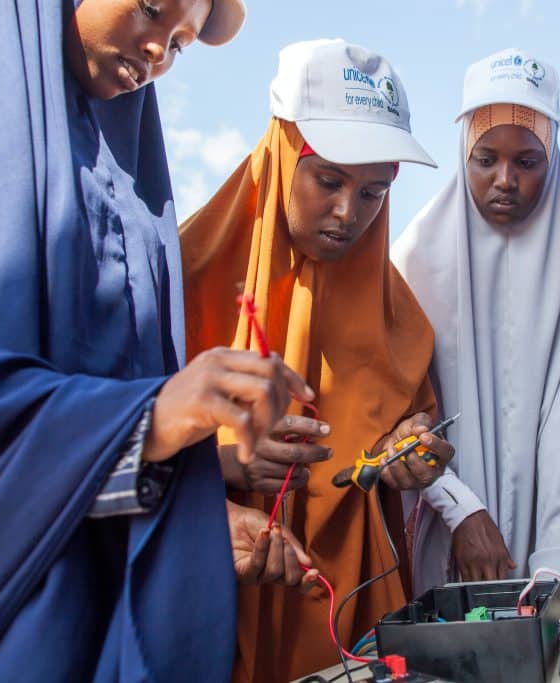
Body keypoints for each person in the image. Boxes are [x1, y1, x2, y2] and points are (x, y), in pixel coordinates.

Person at [0, 2, 317, 681]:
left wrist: (195, 510)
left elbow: (107, 386)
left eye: (182, 43)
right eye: (152, 9)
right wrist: (150, 416)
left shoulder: (126, 175)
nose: (159, 50)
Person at [179, 39, 455, 681]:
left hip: (356, 615)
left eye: (374, 193)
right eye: (328, 180)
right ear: (280, 157)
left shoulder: (403, 321)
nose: (347, 213)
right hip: (214, 600)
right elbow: (113, 448)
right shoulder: (178, 277)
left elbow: (413, 433)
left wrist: (410, 455)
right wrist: (219, 460)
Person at [393, 49, 560, 599]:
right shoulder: (418, 251)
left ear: (551, 157)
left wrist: (558, 555)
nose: (506, 180)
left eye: (528, 161)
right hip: (445, 514)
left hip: (549, 510)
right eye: (485, 159)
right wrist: (460, 513)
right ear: (463, 155)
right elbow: (403, 415)